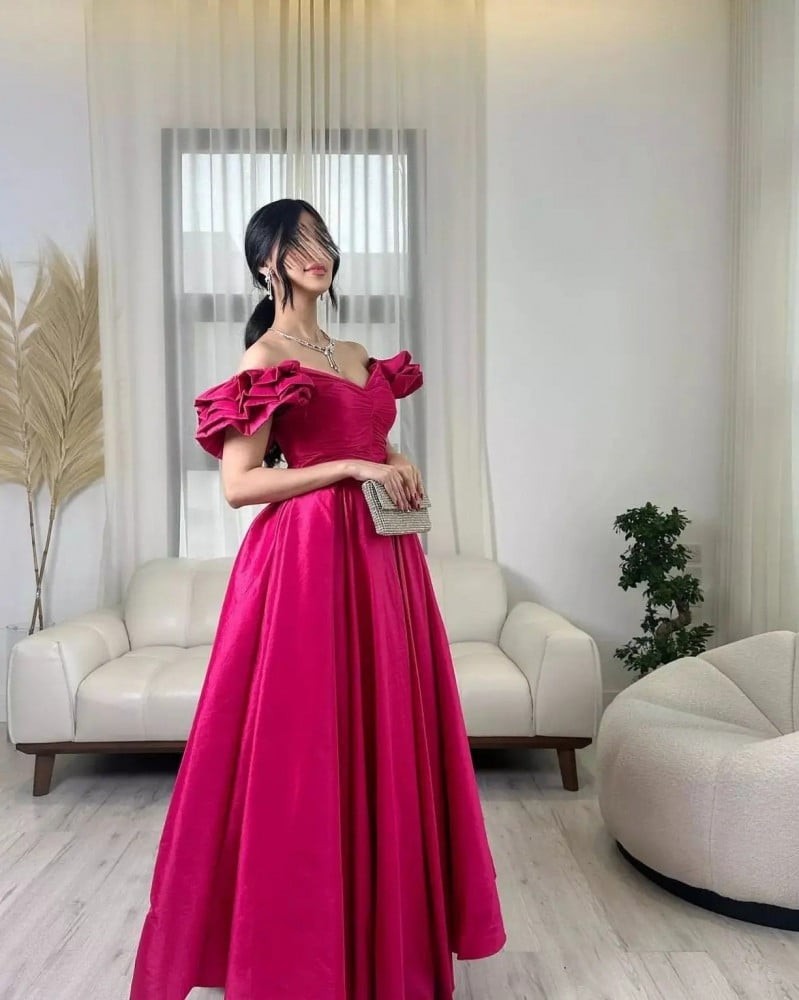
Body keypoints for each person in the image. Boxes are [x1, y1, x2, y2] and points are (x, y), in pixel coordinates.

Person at [129, 198, 506, 999]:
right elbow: (239, 486)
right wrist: (348, 468)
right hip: (305, 562)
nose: (313, 252)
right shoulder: (263, 358)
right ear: (264, 261)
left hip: (382, 559)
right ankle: (297, 957)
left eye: (320, 238)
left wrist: (393, 459)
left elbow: (366, 438)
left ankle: (385, 942)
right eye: (294, 242)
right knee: (305, 743)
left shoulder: (354, 352)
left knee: (385, 728)